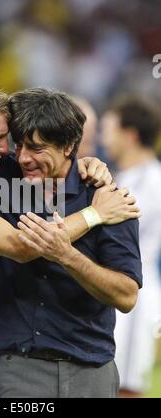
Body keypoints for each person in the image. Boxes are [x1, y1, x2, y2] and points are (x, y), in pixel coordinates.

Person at [0, 84, 141, 398]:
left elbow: (126, 297)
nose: (22, 158)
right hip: (17, 369)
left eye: (36, 148)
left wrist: (69, 257)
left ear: (70, 146)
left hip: (90, 371)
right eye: (18, 145)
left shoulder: (107, 197)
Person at [101, 95, 161, 397]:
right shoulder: (121, 177)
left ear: (130, 134)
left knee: (127, 385)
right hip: (112, 286)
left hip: (138, 291)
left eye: (109, 129)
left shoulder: (154, 180)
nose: (103, 137)